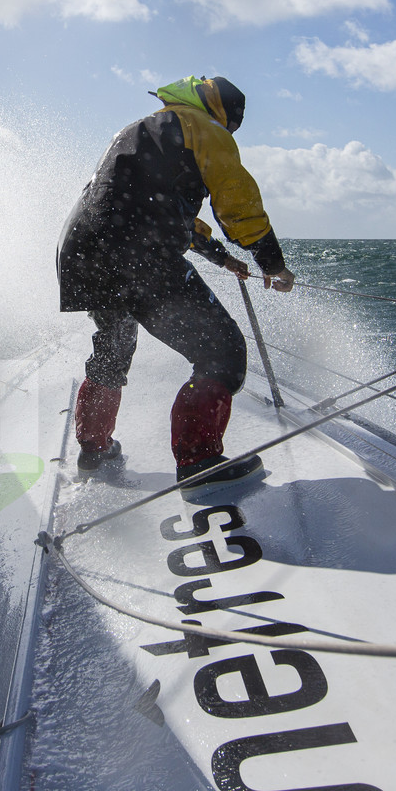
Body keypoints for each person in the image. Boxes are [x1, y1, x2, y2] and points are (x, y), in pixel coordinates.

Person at [57, 75, 295, 494]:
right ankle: (199, 463)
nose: (231, 133)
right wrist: (271, 262)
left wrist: (222, 258)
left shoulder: (143, 129)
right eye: (233, 125)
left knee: (115, 343)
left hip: (81, 251)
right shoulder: (205, 129)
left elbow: (164, 211)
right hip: (137, 254)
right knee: (221, 352)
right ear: (224, 113)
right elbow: (236, 200)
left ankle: (93, 449)